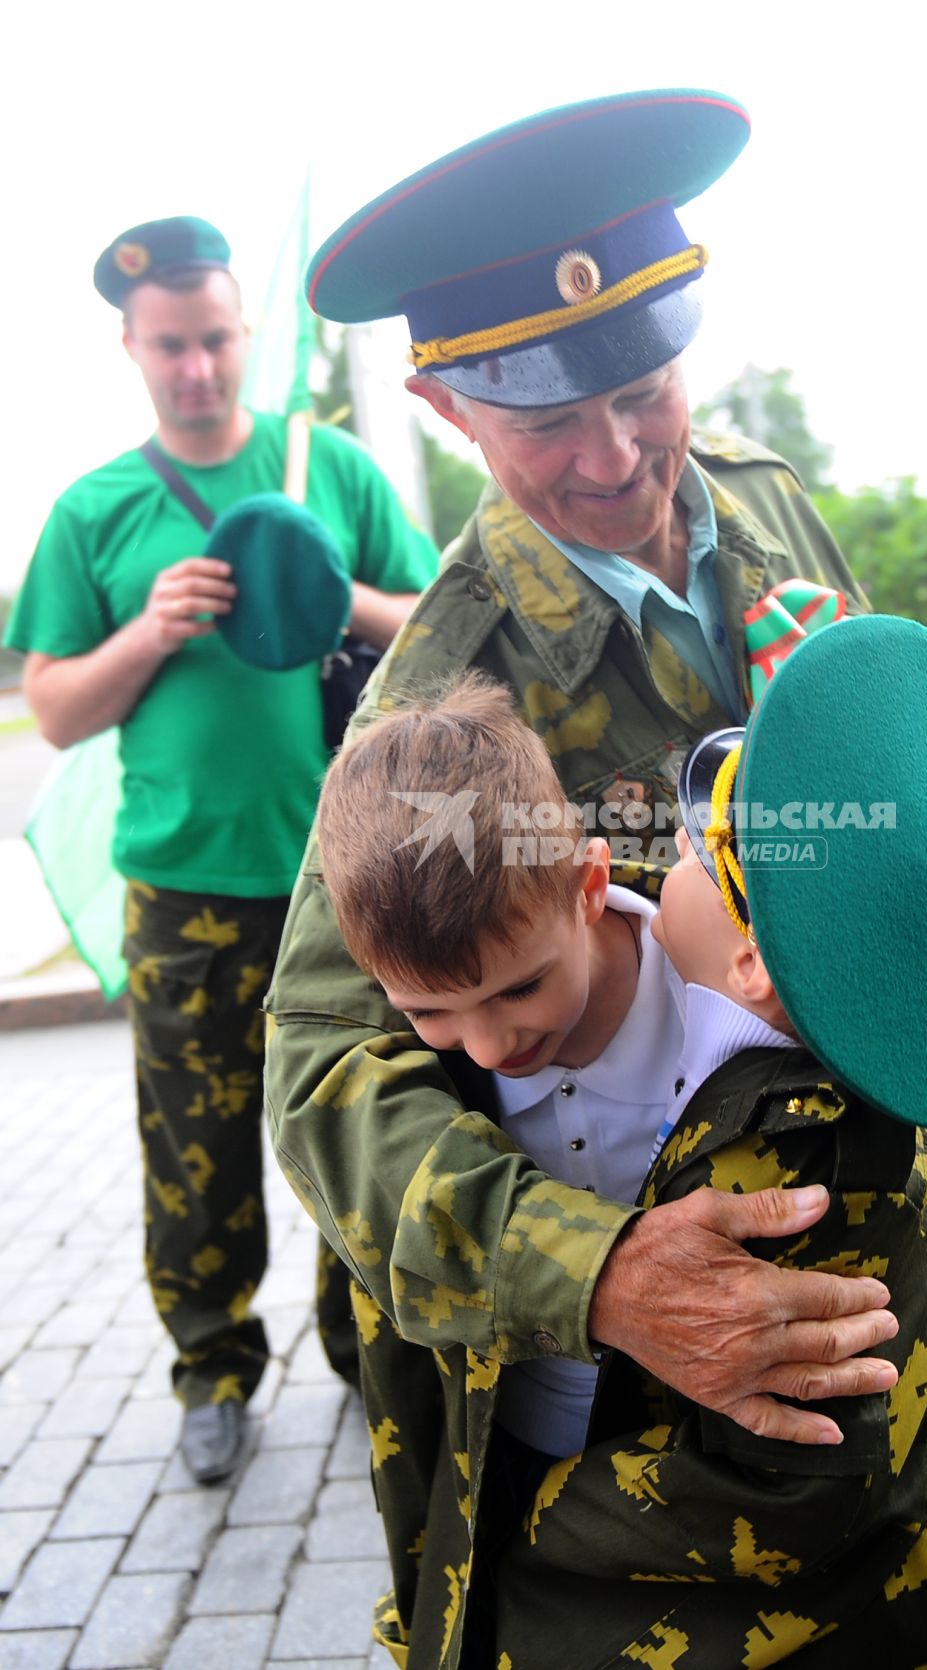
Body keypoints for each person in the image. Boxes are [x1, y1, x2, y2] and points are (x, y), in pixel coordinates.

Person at [261, 87, 911, 1660]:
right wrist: (599, 1271)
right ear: (445, 407)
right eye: (550, 418)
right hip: (654, 1435)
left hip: (891, 1268)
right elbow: (320, 1072)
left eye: (642, 381)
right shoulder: (439, 707)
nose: (618, 453)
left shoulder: (764, 507)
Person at [310, 672, 902, 1664]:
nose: (488, 1045)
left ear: (587, 886)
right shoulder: (412, 1086)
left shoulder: (727, 995)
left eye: (520, 988)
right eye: (430, 1010)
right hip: (524, 1450)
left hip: (706, 1484)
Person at [4, 215, 438, 1486]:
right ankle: (212, 1369)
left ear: (245, 335)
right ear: (130, 347)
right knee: (192, 1145)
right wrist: (147, 631)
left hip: (345, 874)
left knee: (359, 1122)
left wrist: (330, 593)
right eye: (169, 347)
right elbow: (55, 707)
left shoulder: (330, 469)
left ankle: (367, 1349)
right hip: (183, 884)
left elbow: (431, 621)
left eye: (214, 340)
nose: (196, 368)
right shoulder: (95, 508)